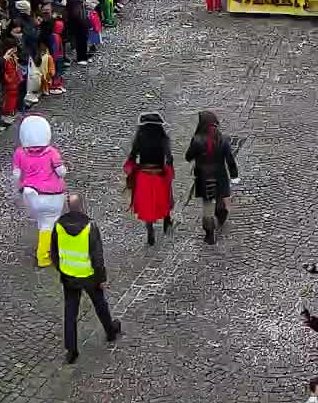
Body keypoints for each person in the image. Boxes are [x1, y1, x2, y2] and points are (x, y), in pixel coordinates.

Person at [52, 193, 122, 364]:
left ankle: (71, 350)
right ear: (82, 207)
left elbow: (53, 252)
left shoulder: (58, 225)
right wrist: (102, 278)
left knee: (70, 313)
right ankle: (110, 331)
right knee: (100, 304)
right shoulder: (90, 227)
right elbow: (97, 256)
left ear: (69, 208)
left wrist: (62, 269)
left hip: (69, 276)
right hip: (89, 275)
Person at [14, 115, 70, 267]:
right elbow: (61, 172)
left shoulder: (19, 153)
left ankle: (48, 245)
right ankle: (44, 255)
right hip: (51, 195)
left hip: (30, 193)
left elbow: (16, 175)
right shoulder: (52, 153)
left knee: (41, 221)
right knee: (48, 223)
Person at [185, 110, 239, 245]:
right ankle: (221, 213)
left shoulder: (197, 140)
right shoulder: (222, 139)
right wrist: (234, 175)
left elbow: (188, 157)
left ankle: (209, 233)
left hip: (204, 177)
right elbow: (230, 159)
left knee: (207, 204)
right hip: (220, 175)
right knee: (220, 196)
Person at [123, 111, 176, 245]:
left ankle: (150, 229)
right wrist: (168, 170)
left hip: (144, 176)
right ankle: (167, 220)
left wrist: (132, 169)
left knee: (147, 204)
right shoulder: (163, 139)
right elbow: (169, 158)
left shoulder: (139, 138)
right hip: (159, 174)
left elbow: (132, 157)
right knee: (165, 198)